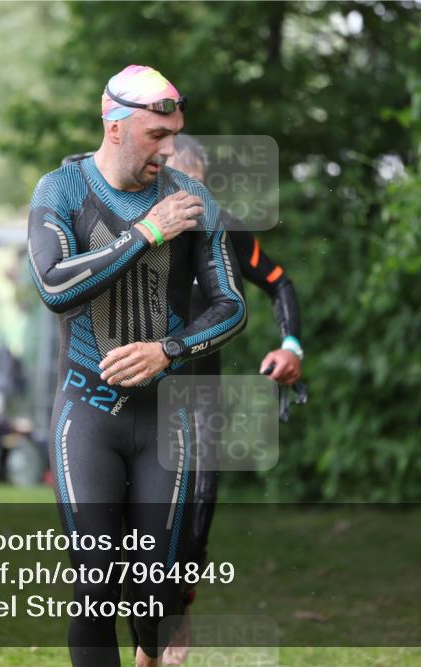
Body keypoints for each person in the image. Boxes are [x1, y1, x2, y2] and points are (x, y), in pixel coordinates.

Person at [28, 65, 246, 667]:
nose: (171, 147)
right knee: (97, 585)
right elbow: (53, 286)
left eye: (175, 133)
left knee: (154, 595)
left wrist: (167, 351)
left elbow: (232, 308)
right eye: (157, 134)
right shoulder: (61, 191)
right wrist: (147, 232)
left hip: (163, 421)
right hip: (87, 414)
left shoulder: (192, 198)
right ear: (116, 124)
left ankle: (154, 648)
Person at [162, 134, 303, 664]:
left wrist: (291, 345)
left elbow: (280, 282)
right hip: (135, 397)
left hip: (200, 392)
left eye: (194, 187)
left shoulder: (225, 228)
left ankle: (179, 601)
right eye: (175, 183)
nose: (186, 199)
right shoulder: (133, 227)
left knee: (197, 521)